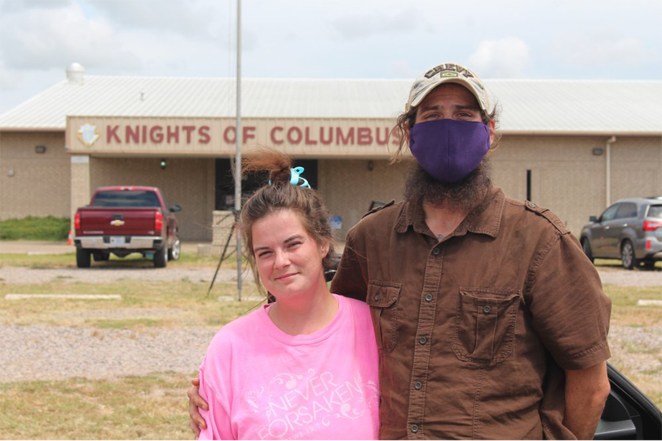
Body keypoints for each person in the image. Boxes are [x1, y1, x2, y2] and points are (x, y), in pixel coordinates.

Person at [190, 62, 612, 439]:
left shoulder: (540, 241)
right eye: (432, 116)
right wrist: (226, 389)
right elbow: (319, 332)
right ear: (409, 133)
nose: (448, 127)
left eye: (464, 115)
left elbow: (590, 381)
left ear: (490, 132)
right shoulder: (371, 240)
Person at [194, 150, 379, 440]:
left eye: (292, 244)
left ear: (322, 244)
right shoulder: (229, 348)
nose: (280, 262)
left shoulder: (375, 328)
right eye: (265, 252)